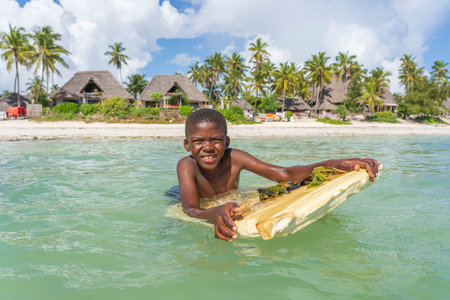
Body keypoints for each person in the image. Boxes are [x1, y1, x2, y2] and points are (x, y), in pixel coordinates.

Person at [177, 109, 379, 241]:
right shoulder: (187, 166)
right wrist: (212, 213)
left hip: (229, 199)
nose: (208, 147)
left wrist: (332, 164)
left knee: (295, 186)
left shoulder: (235, 157)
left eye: (216, 140)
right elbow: (190, 209)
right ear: (187, 145)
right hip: (195, 202)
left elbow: (284, 174)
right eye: (198, 141)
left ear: (227, 141)